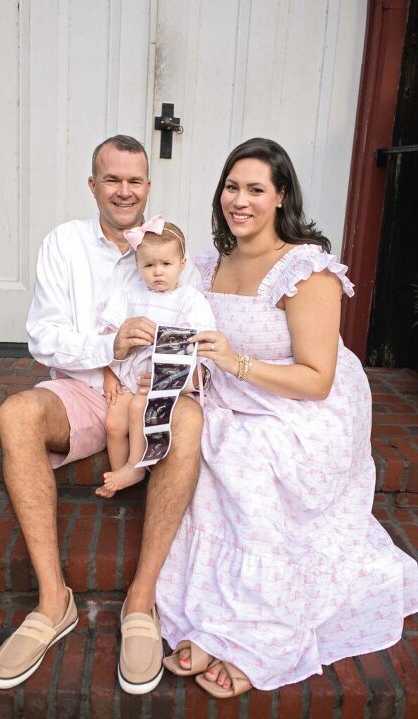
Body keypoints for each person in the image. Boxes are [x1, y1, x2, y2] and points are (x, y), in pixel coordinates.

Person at [156, 138, 418, 698]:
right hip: (232, 393)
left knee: (246, 460)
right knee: (199, 445)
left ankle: (259, 633)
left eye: (256, 189)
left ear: (280, 198)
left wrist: (236, 362)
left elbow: (317, 379)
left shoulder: (305, 270)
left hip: (303, 408)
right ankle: (216, 619)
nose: (240, 200)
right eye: (232, 186)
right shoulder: (207, 264)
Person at [0, 135, 204, 695]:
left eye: (134, 180)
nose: (124, 190)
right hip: (81, 392)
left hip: (150, 394)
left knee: (190, 421)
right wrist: (109, 350)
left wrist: (173, 376)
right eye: (112, 179)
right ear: (93, 185)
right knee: (16, 413)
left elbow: (193, 331)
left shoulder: (171, 248)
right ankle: (54, 601)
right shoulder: (64, 244)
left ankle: (141, 600)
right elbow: (43, 338)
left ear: (148, 186)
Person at [96, 215, 215, 498]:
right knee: (113, 422)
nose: (157, 272)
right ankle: (120, 474)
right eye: (149, 265)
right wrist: (109, 373)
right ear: (137, 265)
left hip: (163, 377)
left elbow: (203, 339)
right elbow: (108, 336)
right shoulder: (128, 294)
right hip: (129, 374)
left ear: (182, 264)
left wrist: (178, 376)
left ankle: (135, 466)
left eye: (166, 264)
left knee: (139, 409)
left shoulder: (189, 300)